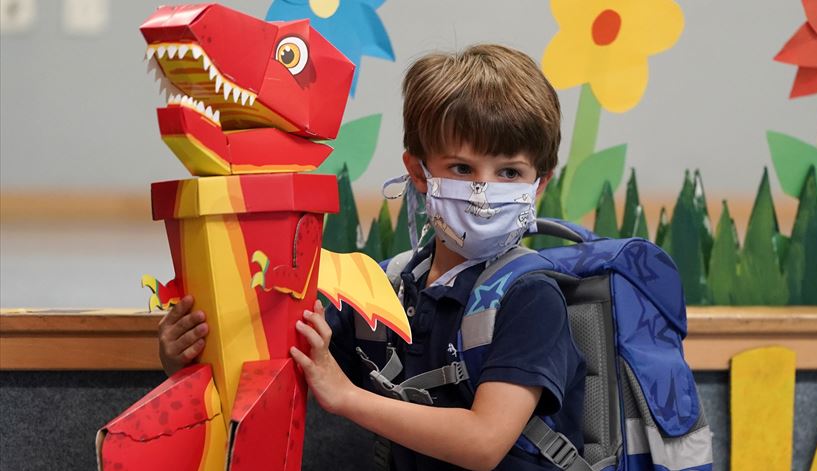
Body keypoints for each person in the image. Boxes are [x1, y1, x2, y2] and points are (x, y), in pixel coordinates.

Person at [158, 44, 586, 471]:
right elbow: (281, 373)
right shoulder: (384, 287)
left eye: (509, 173)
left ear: (539, 184)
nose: (483, 192)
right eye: (460, 168)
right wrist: (187, 357)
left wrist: (347, 396)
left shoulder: (531, 297)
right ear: (419, 172)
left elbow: (484, 442)